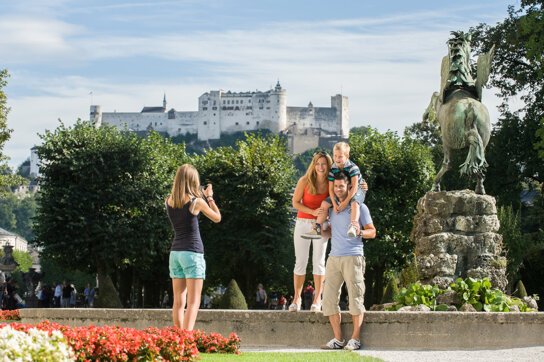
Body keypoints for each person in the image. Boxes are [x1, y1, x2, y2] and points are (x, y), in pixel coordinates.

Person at [292, 151, 367, 313]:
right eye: (318, 163)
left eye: (324, 163)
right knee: (301, 262)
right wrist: (313, 213)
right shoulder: (304, 181)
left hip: (323, 224)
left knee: (319, 262)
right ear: (313, 164)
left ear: (329, 165)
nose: (320, 167)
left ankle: (317, 300)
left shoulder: (332, 181)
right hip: (303, 223)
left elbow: (349, 186)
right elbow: (295, 203)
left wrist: (363, 185)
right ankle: (296, 299)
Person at [320, 171, 376, 351]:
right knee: (328, 299)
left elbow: (372, 232)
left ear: (349, 187)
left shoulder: (360, 207)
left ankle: (355, 339)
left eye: (341, 186)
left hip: (353, 256)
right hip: (333, 258)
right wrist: (323, 231)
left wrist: (359, 232)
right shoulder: (332, 208)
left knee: (356, 298)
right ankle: (338, 339)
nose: (338, 189)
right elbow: (331, 233)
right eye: (335, 186)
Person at [166, 164, 221, 330]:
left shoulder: (169, 201)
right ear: (193, 180)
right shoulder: (196, 202)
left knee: (178, 301)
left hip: (175, 253)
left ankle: (178, 340)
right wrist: (209, 197)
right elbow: (217, 217)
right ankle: (187, 339)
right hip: (192, 252)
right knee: (193, 302)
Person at [305, 142, 366, 239]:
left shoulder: (352, 167)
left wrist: (345, 203)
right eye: (335, 156)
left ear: (347, 156)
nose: (337, 159)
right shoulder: (333, 168)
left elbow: (354, 186)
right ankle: (317, 228)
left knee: (354, 203)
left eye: (340, 156)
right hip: (341, 190)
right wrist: (334, 203)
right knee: (325, 203)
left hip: (357, 189)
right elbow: (331, 188)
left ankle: (353, 226)